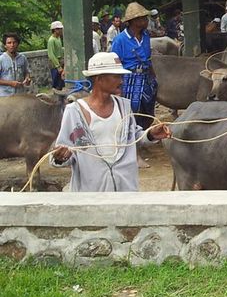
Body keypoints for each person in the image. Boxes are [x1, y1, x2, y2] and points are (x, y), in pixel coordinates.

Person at [49, 52, 171, 192]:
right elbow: (62, 153)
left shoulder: (124, 107)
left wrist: (151, 134)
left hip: (125, 191)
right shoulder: (74, 112)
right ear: (100, 79)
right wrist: (60, 157)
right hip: (91, 194)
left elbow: (133, 137)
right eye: (116, 76)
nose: (121, 81)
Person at [109, 2, 158, 130]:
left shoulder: (146, 36)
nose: (146, 20)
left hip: (146, 77)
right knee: (132, 112)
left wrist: (154, 77)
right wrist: (116, 86)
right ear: (134, 21)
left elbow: (148, 59)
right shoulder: (120, 40)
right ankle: (132, 136)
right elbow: (115, 63)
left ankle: (141, 133)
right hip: (129, 79)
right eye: (143, 18)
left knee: (148, 112)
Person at [0, 33, 31, 97]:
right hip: (5, 96)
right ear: (5, 45)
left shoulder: (22, 58)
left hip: (20, 95)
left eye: (14, 42)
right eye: (9, 43)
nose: (12, 45)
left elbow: (26, 72)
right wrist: (11, 83)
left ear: (18, 44)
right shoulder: (1, 59)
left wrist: (27, 79)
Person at [47, 21, 64, 90]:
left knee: (61, 82)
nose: (61, 30)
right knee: (56, 81)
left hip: (60, 61)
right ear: (55, 30)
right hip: (55, 64)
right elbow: (51, 54)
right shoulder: (51, 40)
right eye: (59, 29)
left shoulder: (58, 38)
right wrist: (58, 66)